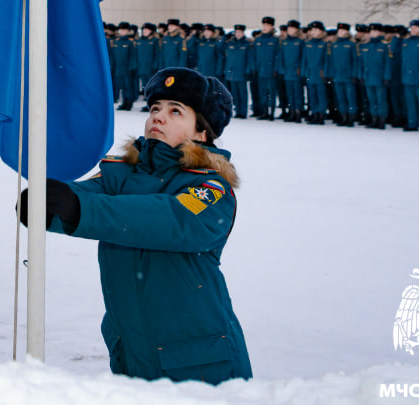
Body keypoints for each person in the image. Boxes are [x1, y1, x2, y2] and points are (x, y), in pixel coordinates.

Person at [20, 66, 251, 384]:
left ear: (201, 132)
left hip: (199, 362)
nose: (158, 117)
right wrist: (48, 204)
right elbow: (83, 198)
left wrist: (79, 208)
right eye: (155, 108)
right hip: (133, 353)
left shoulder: (211, 188)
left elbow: (169, 218)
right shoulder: (119, 174)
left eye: (175, 111)